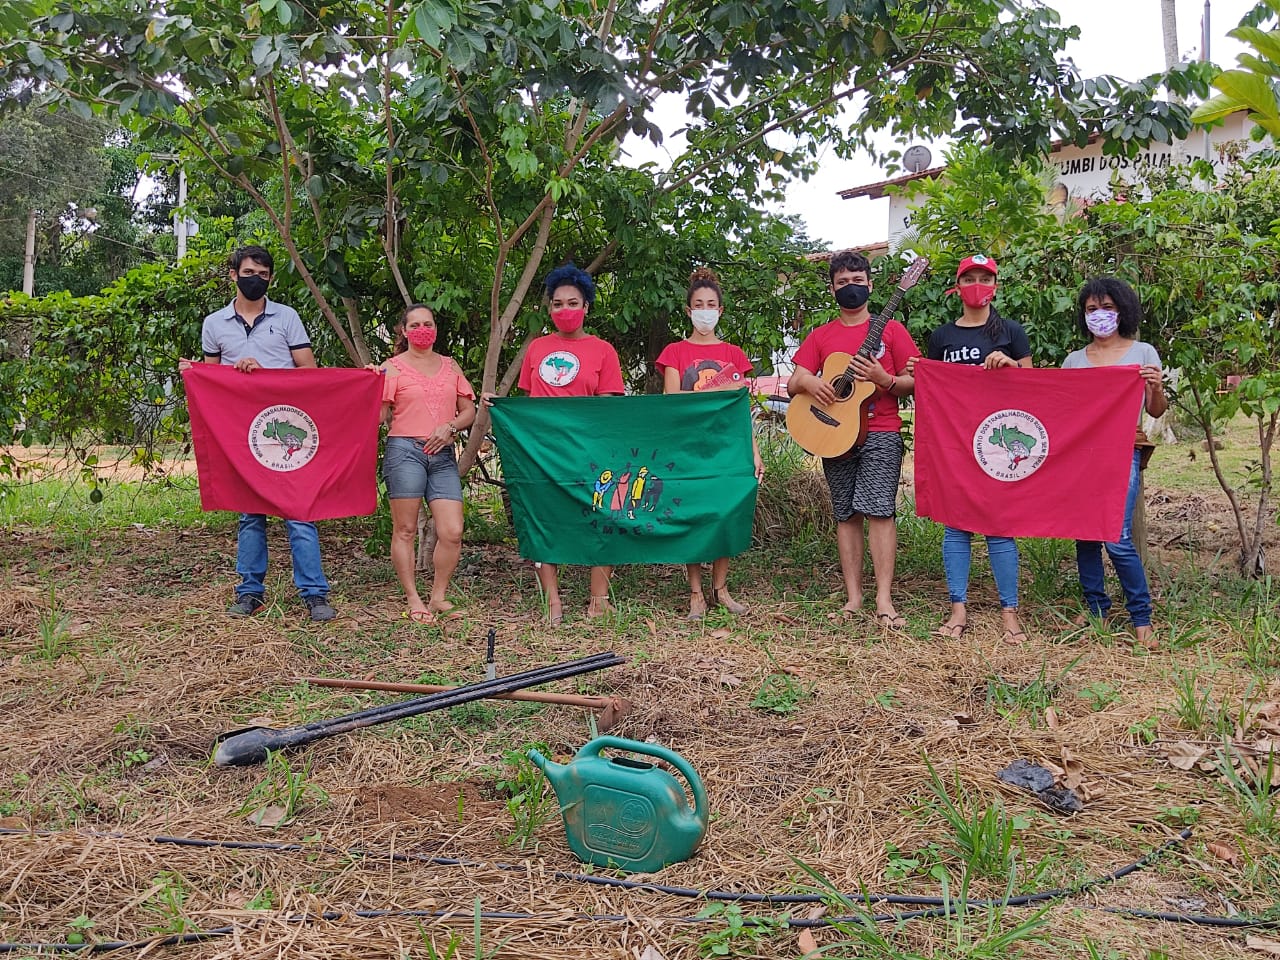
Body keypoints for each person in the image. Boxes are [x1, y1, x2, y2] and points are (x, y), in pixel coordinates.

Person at [199, 245, 336, 621]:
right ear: (233, 274)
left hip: (285, 428)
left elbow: (308, 371)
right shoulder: (214, 324)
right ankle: (249, 593)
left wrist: (266, 375)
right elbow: (211, 381)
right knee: (250, 515)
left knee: (300, 512)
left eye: (262, 274)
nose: (255, 279)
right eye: (248, 272)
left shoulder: (287, 318)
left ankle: (314, 593)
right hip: (244, 436)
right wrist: (228, 373)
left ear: (270, 278)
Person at [787, 250, 920, 630]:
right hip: (834, 431)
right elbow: (796, 379)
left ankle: (883, 599)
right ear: (832, 288)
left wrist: (885, 379)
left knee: (880, 512)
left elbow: (914, 381)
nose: (851, 288)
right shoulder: (822, 335)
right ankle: (853, 598)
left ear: (871, 285)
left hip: (881, 432)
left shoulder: (891, 330)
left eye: (857, 281)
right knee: (845, 514)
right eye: (843, 282)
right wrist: (814, 382)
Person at [911, 254, 1032, 643]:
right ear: (957, 286)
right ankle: (957, 609)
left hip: (999, 442)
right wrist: (919, 373)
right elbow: (931, 392)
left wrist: (1011, 367)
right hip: (956, 444)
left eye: (984, 277)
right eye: (970, 278)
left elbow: (1035, 388)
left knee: (1000, 527)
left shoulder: (1012, 331)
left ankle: (1009, 612)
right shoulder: (942, 337)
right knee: (956, 525)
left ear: (995, 284)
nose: (977, 284)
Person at [516, 263, 625, 624]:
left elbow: (610, 405)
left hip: (589, 452)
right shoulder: (536, 348)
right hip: (543, 452)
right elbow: (528, 405)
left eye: (573, 302)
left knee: (603, 516)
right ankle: (552, 601)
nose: (565, 310)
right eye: (558, 304)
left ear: (586, 307)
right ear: (549, 309)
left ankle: (598, 600)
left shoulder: (603, 350)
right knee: (545, 519)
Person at [1062, 277, 1167, 646]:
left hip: (1123, 453)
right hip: (1081, 457)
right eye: (1092, 309)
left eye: (1107, 307)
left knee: (1117, 536)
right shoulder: (1074, 360)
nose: (1100, 315)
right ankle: (1096, 609)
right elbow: (1063, 410)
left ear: (1122, 310)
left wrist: (1154, 387)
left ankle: (1142, 616)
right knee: (1086, 534)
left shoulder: (1143, 353)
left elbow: (1155, 409)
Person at [655, 267, 765, 619]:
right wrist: (722, 387)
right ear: (689, 311)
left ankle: (721, 589)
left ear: (720, 310)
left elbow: (741, 407)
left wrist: (754, 450)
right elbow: (673, 402)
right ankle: (695, 594)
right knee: (691, 516)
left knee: (724, 515)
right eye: (698, 304)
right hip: (687, 447)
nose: (705, 310)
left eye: (711, 304)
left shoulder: (734, 354)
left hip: (727, 448)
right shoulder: (674, 352)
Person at [377, 304, 477, 624]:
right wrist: (370, 383)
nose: (423, 330)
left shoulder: (450, 366)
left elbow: (468, 411)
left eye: (428, 324)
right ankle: (413, 598)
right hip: (405, 450)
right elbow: (379, 416)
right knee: (405, 529)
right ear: (404, 331)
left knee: (452, 530)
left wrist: (450, 427)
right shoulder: (391, 368)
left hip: (442, 453)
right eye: (415, 325)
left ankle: (438, 596)